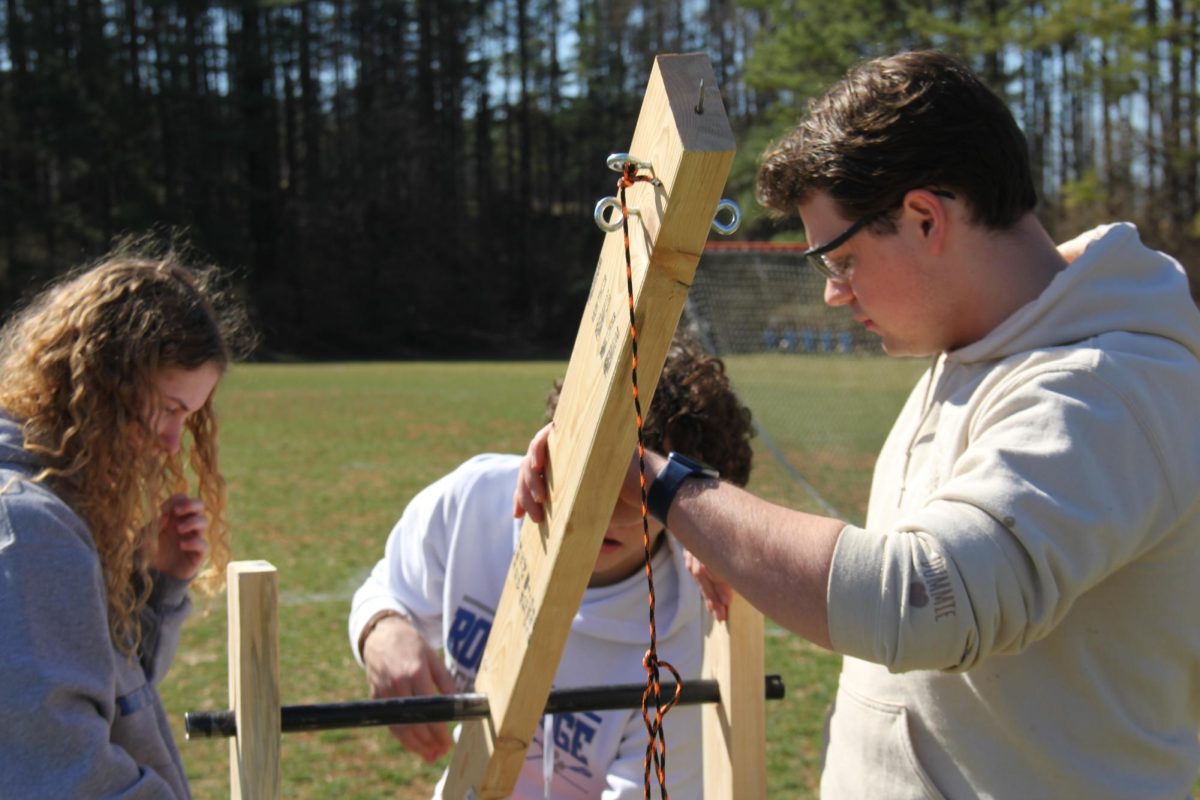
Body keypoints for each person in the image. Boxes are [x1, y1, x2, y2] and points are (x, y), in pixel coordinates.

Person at [516, 50, 1200, 798]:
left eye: (839, 260)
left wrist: (663, 486)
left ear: (925, 217)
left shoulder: (1106, 390)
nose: (835, 295)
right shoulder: (979, 353)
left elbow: (926, 601)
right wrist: (732, 541)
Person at [348, 335, 754, 799]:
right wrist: (381, 631)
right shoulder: (472, 501)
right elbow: (386, 588)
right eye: (592, 465)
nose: (605, 505)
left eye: (637, 486)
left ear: (681, 511)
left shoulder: (681, 637)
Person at [0, 242, 251, 797]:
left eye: (186, 417)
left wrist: (153, 585)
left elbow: (96, 697)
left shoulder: (46, 502)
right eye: (166, 408)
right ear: (100, 381)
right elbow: (60, 770)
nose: (169, 443)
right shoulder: (26, 525)